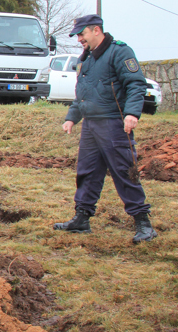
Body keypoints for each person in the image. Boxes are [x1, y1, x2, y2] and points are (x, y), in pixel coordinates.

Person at [54, 14, 156, 243]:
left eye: (82, 34)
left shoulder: (120, 52)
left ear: (96, 30)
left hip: (113, 123)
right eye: (78, 35)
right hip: (91, 125)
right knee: (87, 172)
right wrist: (72, 117)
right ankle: (82, 218)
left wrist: (131, 113)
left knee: (124, 172)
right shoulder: (86, 58)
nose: (79, 39)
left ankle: (143, 222)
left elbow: (136, 84)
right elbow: (82, 92)